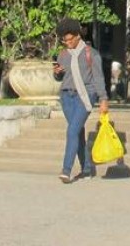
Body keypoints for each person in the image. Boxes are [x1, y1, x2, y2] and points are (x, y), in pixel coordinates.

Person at [52, 17, 109, 184]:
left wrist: (103, 99)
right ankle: (86, 169)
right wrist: (57, 73)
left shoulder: (91, 54)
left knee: (71, 131)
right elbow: (59, 78)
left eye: (69, 39)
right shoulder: (63, 54)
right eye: (64, 40)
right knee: (77, 132)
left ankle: (66, 170)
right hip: (66, 96)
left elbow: (98, 78)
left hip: (85, 96)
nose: (67, 42)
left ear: (78, 36)